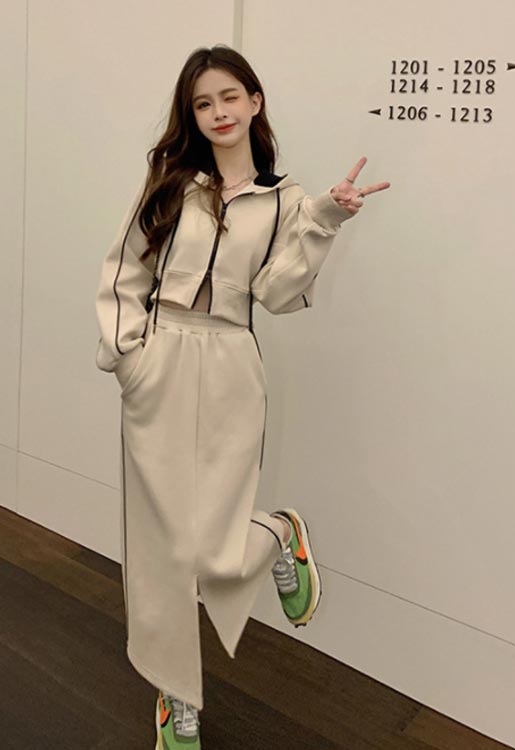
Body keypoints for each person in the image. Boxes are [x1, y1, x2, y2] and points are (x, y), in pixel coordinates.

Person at [94, 44, 390, 749]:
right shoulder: (170, 181)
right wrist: (128, 355)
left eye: (230, 96)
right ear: (192, 115)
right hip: (159, 359)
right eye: (203, 103)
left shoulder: (286, 200)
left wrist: (325, 218)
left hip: (231, 363)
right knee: (161, 546)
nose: (218, 112)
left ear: (255, 102)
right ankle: (176, 696)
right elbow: (125, 268)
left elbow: (276, 294)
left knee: (215, 546)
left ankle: (277, 534)